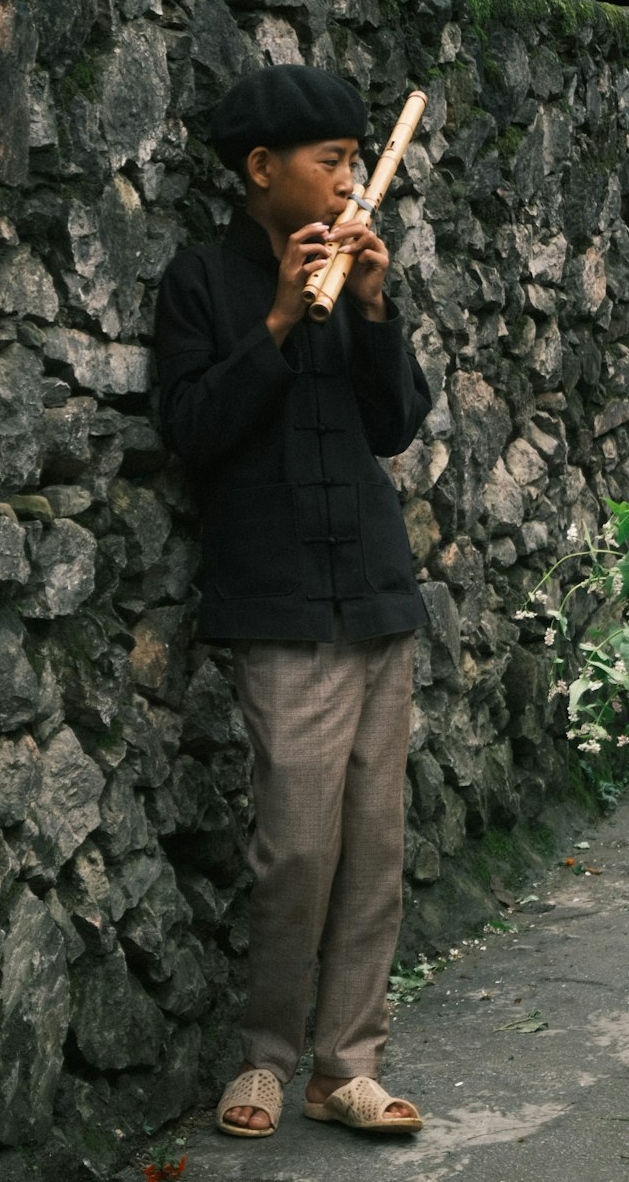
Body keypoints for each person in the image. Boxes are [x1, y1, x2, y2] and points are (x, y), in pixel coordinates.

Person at [154, 65, 431, 1139]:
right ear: (262, 170)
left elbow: (394, 425)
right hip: (277, 606)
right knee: (297, 850)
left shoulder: (354, 274)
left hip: (372, 595)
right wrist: (274, 321)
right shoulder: (203, 283)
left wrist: (368, 310)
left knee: (372, 849)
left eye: (357, 162)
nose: (348, 181)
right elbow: (193, 429)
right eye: (330, 163)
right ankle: (267, 1058)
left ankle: (346, 1064)